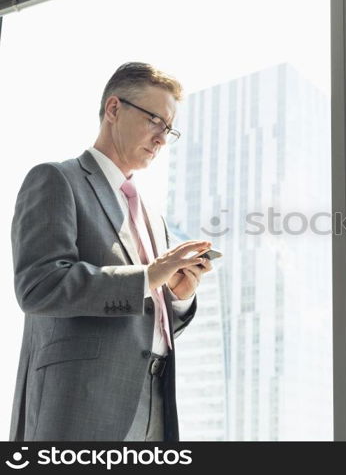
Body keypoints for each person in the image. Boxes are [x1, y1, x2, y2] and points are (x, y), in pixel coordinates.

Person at [9, 62, 213, 441]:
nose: (161, 138)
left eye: (169, 129)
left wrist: (176, 299)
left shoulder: (154, 216)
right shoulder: (57, 179)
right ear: (114, 109)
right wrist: (149, 276)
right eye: (155, 120)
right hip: (81, 405)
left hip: (154, 402)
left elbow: (145, 318)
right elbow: (39, 285)